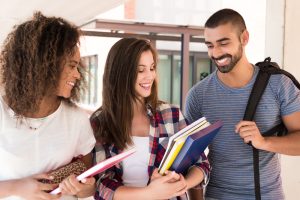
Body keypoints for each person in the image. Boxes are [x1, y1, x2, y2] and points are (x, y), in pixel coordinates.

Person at [185, 8, 300, 200]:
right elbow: (189, 159)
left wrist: (264, 142)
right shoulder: (198, 95)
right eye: (210, 45)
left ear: (244, 38)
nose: (216, 53)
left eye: (223, 43)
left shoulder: (279, 85)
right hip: (216, 195)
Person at [89, 37, 210, 200]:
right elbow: (102, 183)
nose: (150, 76)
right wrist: (150, 194)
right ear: (121, 73)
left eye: (152, 68)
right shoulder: (100, 121)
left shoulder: (171, 114)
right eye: (140, 70)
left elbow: (201, 163)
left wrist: (183, 184)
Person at [0, 12, 96, 200]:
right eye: (71, 65)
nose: (77, 75)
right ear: (45, 64)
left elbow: (89, 185)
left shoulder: (76, 119)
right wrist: (17, 187)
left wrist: (83, 188)